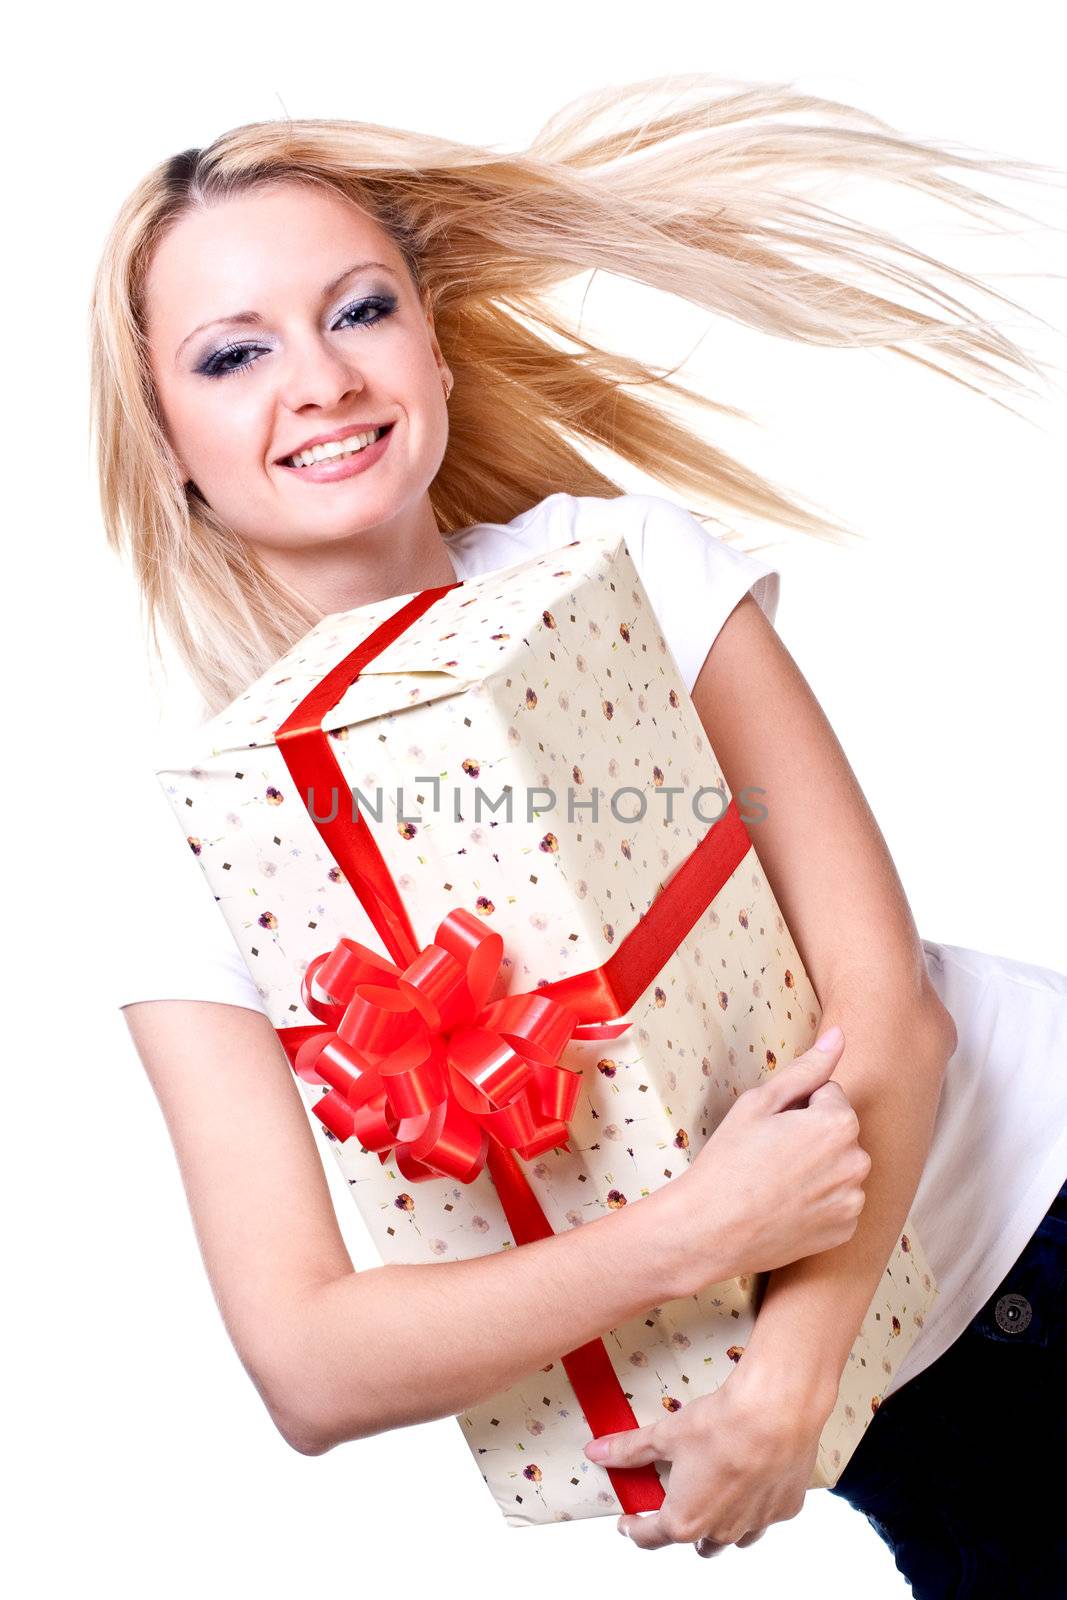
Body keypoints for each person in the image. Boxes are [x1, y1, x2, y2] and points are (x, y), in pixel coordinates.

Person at [93, 76, 1066, 1593]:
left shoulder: (616, 567)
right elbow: (310, 1363)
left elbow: (896, 1015)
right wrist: (691, 1242)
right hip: (909, 1428)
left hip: (1038, 1213)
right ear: (167, 441)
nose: (322, 380)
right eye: (234, 353)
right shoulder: (204, 842)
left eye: (359, 312)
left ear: (428, 346)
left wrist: (793, 1376)